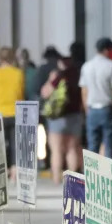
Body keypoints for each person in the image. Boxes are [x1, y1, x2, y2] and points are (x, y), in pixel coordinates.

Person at [42, 43, 84, 184]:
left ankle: (56, 180)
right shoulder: (77, 74)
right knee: (72, 148)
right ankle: (71, 180)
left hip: (58, 118)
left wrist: (50, 79)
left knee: (57, 150)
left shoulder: (59, 75)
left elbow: (45, 93)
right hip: (75, 115)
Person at [80, 37, 112, 162]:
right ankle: (109, 180)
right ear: (106, 50)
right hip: (108, 110)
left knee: (92, 149)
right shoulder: (111, 65)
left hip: (92, 110)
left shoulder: (86, 66)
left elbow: (84, 91)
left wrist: (87, 111)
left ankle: (90, 180)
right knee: (110, 148)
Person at [0, 47, 24, 180]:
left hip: (0, 112)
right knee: (16, 143)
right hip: (16, 112)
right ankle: (15, 170)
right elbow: (20, 91)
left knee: (2, 143)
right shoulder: (18, 73)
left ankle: (4, 170)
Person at [33, 46, 61, 169]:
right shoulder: (58, 69)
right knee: (54, 136)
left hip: (44, 107)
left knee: (45, 135)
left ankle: (47, 161)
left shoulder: (41, 69)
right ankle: (55, 162)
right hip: (58, 108)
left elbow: (37, 88)